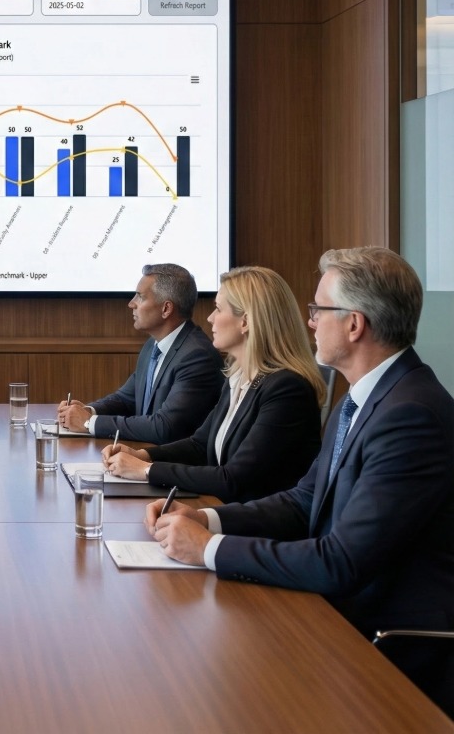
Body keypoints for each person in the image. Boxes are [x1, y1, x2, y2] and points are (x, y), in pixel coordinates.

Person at [149, 247, 454, 715]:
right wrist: (206, 518)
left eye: (319, 310)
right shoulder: (366, 396)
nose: (309, 321)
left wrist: (206, 549)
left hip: (386, 647)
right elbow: (303, 501)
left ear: (354, 324)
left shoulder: (409, 414)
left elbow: (341, 561)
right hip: (335, 614)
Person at [103, 266, 323, 502]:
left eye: (218, 309)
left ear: (245, 322)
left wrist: (145, 470)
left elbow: (233, 479)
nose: (209, 318)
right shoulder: (239, 376)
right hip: (222, 509)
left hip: (254, 528)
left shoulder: (287, 390)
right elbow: (200, 445)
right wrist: (143, 455)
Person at [57, 263, 222, 442]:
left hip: (174, 464)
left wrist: (90, 423)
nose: (131, 304)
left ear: (166, 308)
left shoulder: (197, 356)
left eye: (140, 297)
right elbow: (126, 399)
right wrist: (88, 411)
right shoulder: (153, 344)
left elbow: (164, 427)